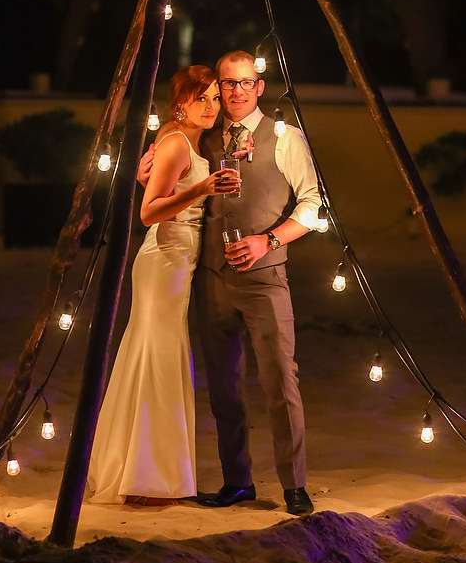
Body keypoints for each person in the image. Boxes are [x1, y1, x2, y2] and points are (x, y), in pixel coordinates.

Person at [86, 66, 237, 506]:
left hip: (177, 261)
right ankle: (145, 479)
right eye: (201, 99)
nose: (211, 107)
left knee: (154, 355)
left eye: (214, 98)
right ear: (180, 104)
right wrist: (204, 188)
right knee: (158, 357)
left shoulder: (178, 137)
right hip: (165, 261)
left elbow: (155, 186)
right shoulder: (175, 142)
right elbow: (149, 213)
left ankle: (139, 471)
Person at [194, 50, 320, 516]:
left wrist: (268, 240)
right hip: (210, 279)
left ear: (260, 86)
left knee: (280, 384)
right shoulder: (206, 138)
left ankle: (294, 485)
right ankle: (237, 482)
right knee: (224, 388)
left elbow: (313, 206)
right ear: (220, 87)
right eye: (229, 84)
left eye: (247, 83)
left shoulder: (286, 137)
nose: (238, 91)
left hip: (266, 279)